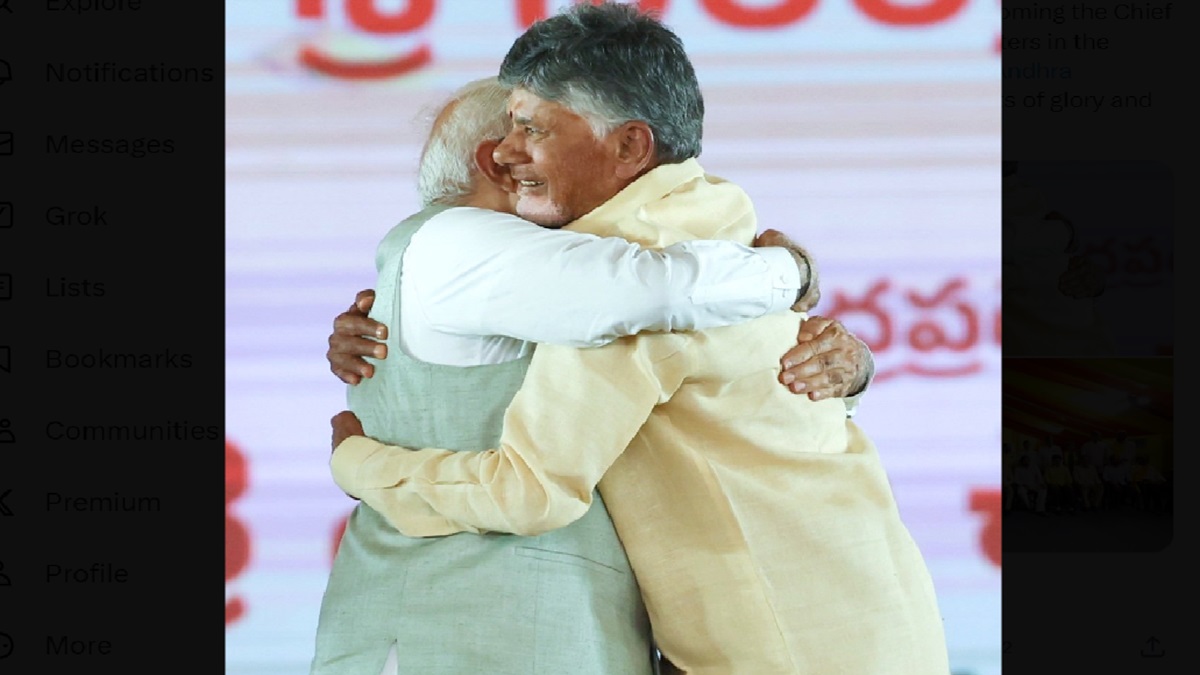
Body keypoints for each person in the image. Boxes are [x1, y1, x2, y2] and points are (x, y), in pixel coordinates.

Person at [329, 3, 947, 673]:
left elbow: (529, 491)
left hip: (776, 645)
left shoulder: (616, 289)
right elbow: (749, 396)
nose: (506, 155)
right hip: (883, 613)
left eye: (531, 128)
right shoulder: (719, 215)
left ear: (629, 146)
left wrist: (358, 461)